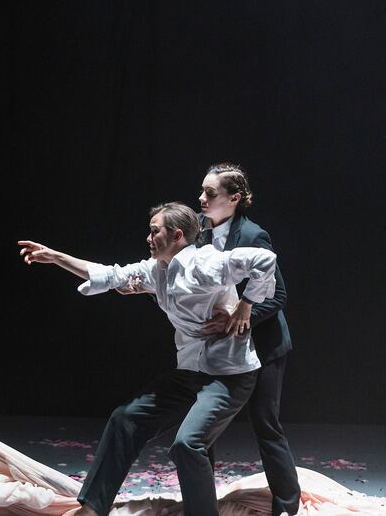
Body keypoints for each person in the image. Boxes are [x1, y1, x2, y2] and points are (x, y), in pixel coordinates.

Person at [19, 202, 278, 516]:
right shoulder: (157, 269)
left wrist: (245, 306)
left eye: (155, 231)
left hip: (228, 376)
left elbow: (264, 259)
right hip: (190, 373)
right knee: (125, 419)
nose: (148, 237)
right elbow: (110, 274)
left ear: (177, 235)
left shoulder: (205, 262)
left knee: (187, 444)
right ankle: (92, 509)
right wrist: (55, 257)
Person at [198, 163, 300, 515]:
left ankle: (286, 506)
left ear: (234, 198)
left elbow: (278, 295)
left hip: (265, 344)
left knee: (265, 424)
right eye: (202, 191)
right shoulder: (199, 233)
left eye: (210, 193)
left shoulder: (254, 235)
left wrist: (243, 312)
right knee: (202, 428)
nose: (202, 199)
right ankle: (202, 504)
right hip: (220, 346)